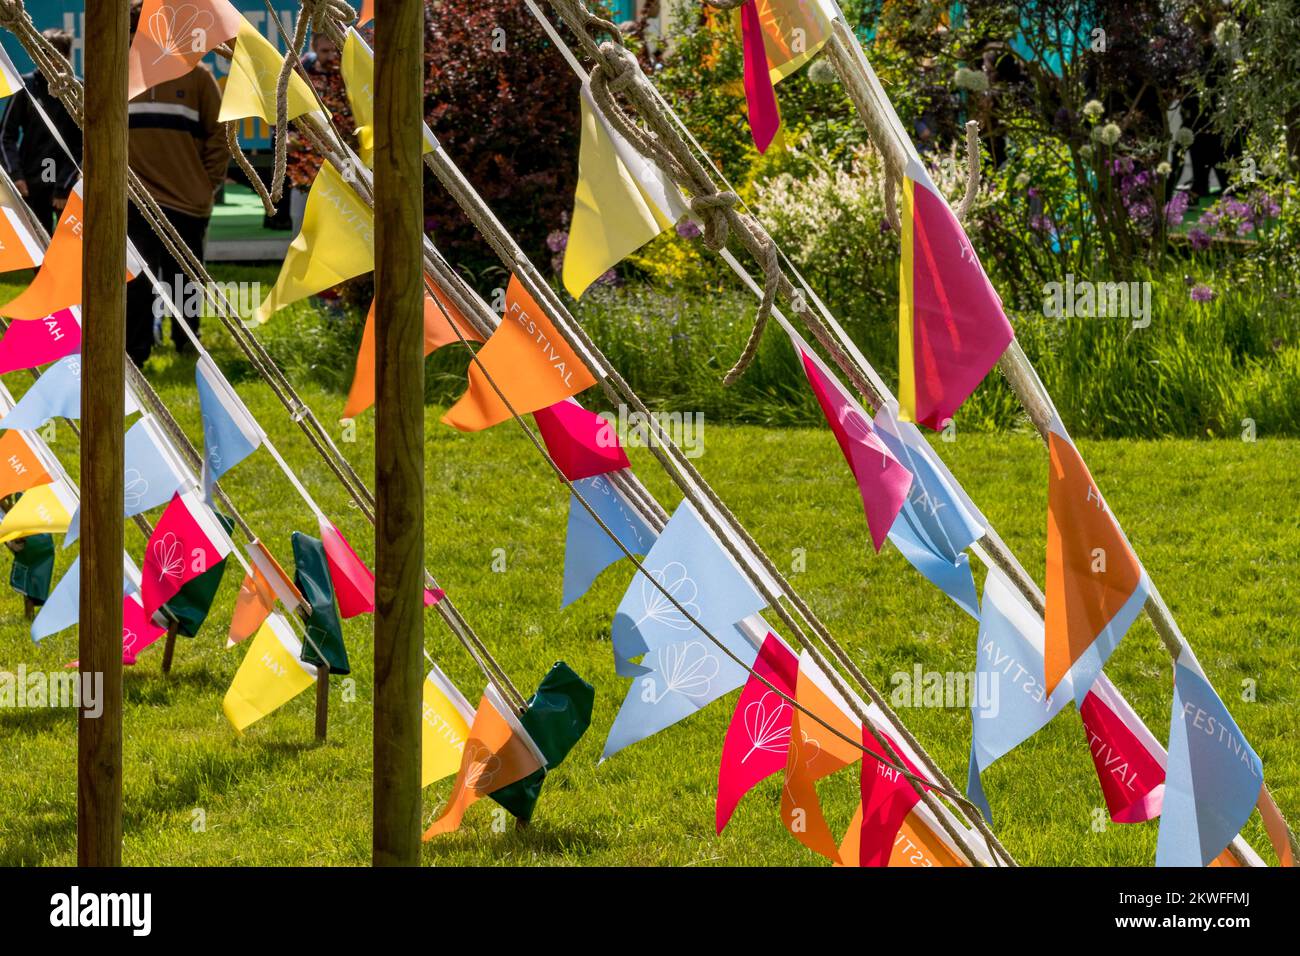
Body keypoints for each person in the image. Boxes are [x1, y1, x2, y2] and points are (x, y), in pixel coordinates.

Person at [125, 0, 229, 367]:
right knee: (135, 281)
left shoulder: (198, 76)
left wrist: (205, 185)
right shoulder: (114, 74)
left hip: (186, 202)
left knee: (185, 279)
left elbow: (220, 137)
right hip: (133, 202)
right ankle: (135, 354)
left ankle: (188, 345)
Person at [0, 29, 82, 235]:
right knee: (40, 253)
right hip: (31, 184)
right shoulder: (26, 86)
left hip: (69, 185)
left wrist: (64, 186)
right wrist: (16, 175)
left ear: (67, 57)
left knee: (68, 253)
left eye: (57, 55)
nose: (51, 62)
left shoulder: (78, 90)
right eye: (45, 54)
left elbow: (85, 143)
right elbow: (5, 135)